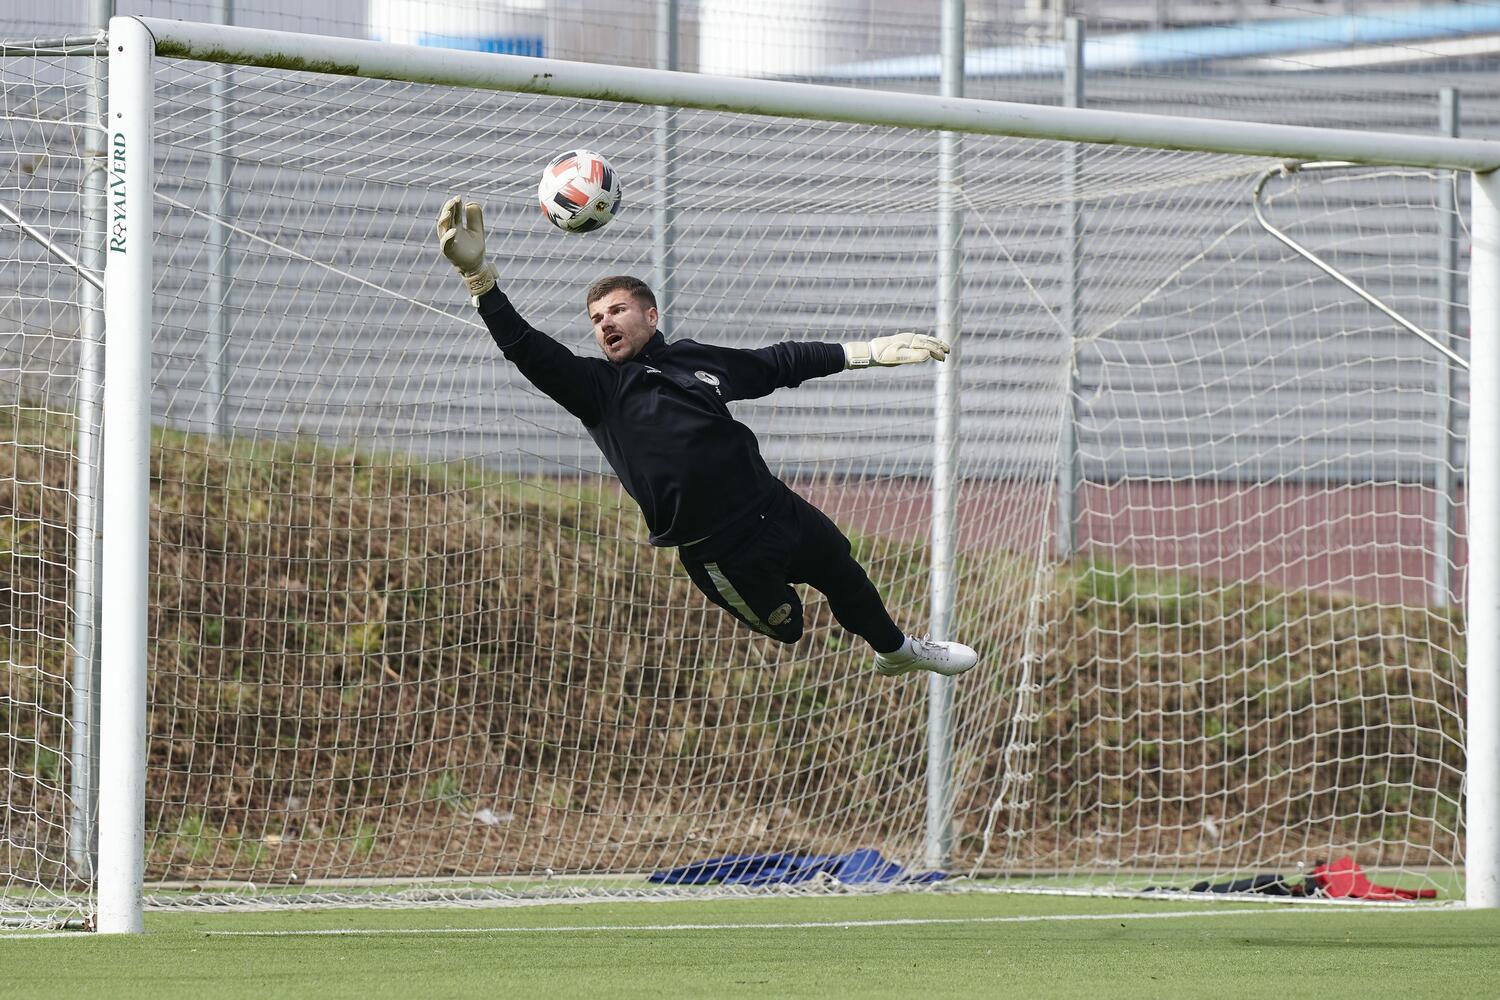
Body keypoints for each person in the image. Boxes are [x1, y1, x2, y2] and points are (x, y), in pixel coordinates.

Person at [437, 196, 979, 677]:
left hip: (773, 505)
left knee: (844, 572)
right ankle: (818, 622)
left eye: (617, 310)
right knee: (790, 627)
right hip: (720, 551)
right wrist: (479, 277)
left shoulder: (691, 359)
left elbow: (777, 362)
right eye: (596, 318)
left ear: (650, 315)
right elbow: (526, 347)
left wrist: (866, 353)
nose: (605, 324)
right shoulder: (597, 389)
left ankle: (898, 651)